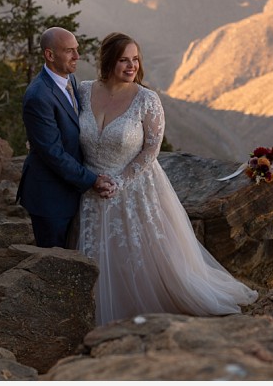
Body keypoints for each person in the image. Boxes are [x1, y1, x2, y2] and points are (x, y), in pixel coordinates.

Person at [76, 32, 258, 325]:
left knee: (138, 257)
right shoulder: (84, 91)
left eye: (135, 59)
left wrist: (120, 181)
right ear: (108, 60)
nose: (131, 66)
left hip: (132, 187)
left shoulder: (146, 99)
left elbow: (151, 149)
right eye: (124, 59)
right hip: (89, 188)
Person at [17, 27, 116, 248]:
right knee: (53, 261)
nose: (77, 57)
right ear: (50, 55)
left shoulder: (69, 77)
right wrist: (92, 180)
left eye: (76, 49)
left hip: (70, 190)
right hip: (49, 196)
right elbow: (53, 153)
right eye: (69, 51)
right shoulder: (38, 96)